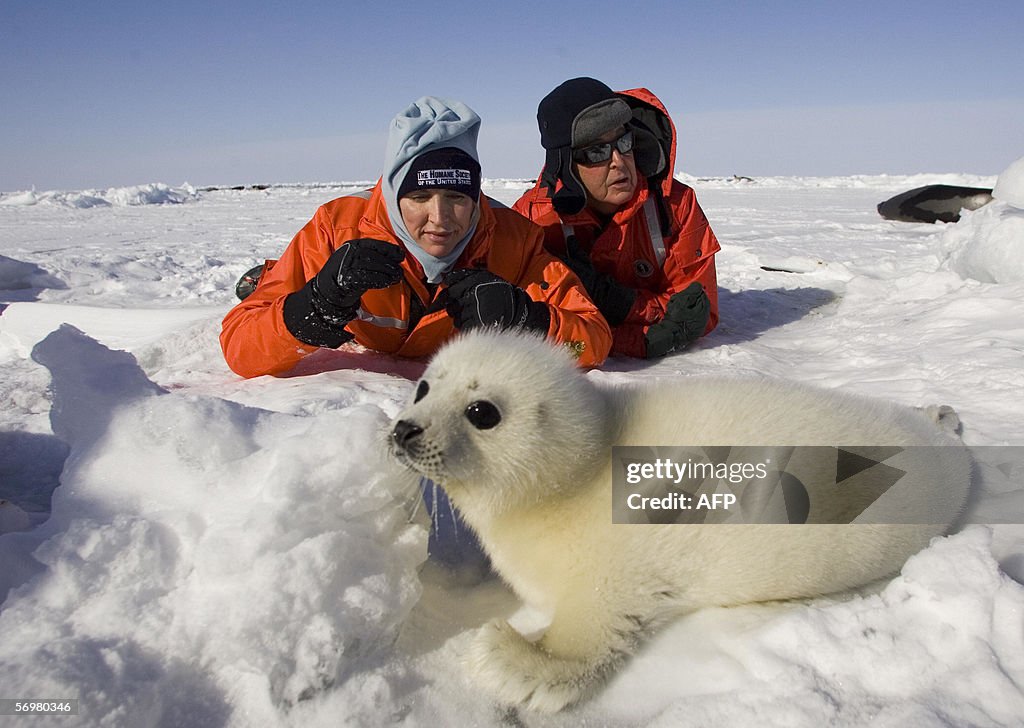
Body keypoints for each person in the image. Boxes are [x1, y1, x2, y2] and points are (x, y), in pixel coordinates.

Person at [220, 96, 612, 379]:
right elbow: (240, 349)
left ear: (476, 197)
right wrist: (314, 305)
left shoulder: (514, 241)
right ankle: (269, 276)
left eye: (457, 198)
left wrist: (528, 320)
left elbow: (591, 342)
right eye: (420, 197)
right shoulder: (336, 228)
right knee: (283, 287)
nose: (439, 219)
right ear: (394, 195)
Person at [513, 77, 720, 359]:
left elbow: (697, 310)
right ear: (565, 164)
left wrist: (620, 303)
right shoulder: (533, 221)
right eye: (597, 151)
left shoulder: (674, 207)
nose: (619, 161)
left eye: (624, 141)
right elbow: (539, 332)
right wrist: (642, 337)